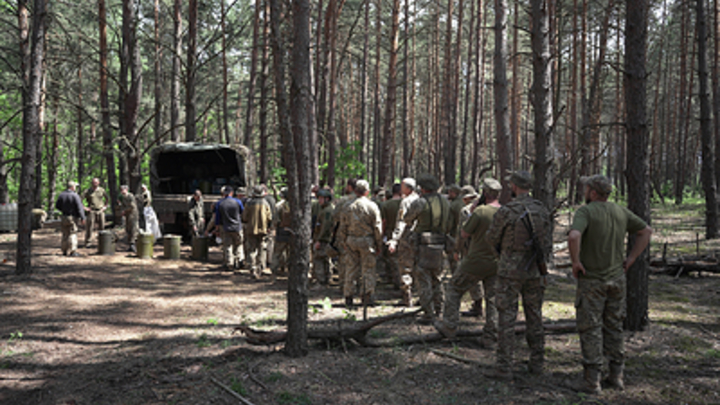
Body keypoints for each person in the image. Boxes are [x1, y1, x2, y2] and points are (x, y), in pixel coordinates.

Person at [567, 175, 652, 394]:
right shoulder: (620, 211)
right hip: (617, 280)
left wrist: (576, 262)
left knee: (591, 327)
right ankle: (616, 376)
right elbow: (646, 231)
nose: (585, 191)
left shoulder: (585, 212)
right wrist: (631, 259)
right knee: (614, 325)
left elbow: (574, 235)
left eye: (587, 188)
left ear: (593, 193)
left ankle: (591, 380)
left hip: (592, 281)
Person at [484, 171, 552, 380]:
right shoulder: (541, 210)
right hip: (534, 271)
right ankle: (537, 362)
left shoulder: (507, 211)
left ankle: (504, 367)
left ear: (514, 186)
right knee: (535, 315)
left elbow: (491, 238)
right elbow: (547, 243)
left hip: (509, 272)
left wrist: (504, 255)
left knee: (506, 316)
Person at [434, 178, 502, 349]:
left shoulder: (480, 212)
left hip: (475, 261)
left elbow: (464, 233)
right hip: (496, 262)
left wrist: (472, 212)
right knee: (492, 299)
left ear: (484, 193)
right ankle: (491, 336)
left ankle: (449, 327)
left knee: (454, 288)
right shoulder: (504, 212)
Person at [399, 173, 451, 323]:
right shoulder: (445, 202)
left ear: (423, 188)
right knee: (438, 278)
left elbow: (407, 218)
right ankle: (439, 309)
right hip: (440, 243)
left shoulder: (420, 202)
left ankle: (428, 313)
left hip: (423, 245)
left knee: (423, 280)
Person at [338, 180, 383, 307]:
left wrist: (343, 241)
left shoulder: (347, 205)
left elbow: (342, 226)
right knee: (368, 269)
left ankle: (348, 296)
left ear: (355, 191)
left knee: (351, 268)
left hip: (351, 240)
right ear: (367, 192)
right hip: (367, 241)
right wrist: (379, 244)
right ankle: (367, 296)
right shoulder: (372, 206)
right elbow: (377, 227)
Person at [387, 178, 419, 307]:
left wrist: (394, 240)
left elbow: (401, 222)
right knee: (419, 268)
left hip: (407, 238)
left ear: (407, 188)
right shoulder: (421, 200)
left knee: (405, 268)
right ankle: (422, 297)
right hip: (420, 239)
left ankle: (407, 298)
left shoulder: (406, 202)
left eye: (402, 186)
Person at [457, 185, 484, 317]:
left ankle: (477, 305)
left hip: (472, 248)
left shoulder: (466, 211)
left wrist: (458, 250)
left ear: (466, 198)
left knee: (474, 278)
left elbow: (462, 233)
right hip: (489, 248)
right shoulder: (489, 206)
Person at [242, 185, 273, 279]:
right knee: (262, 249)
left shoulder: (249, 203)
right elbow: (270, 217)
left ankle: (252, 268)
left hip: (251, 230)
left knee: (251, 250)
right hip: (263, 230)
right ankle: (260, 268)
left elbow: (244, 217)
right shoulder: (266, 203)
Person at [332, 179, 358, 288]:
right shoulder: (366, 200)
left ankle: (344, 284)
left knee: (343, 260)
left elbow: (335, 216)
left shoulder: (344, 200)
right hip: (360, 234)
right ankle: (358, 284)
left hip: (345, 234)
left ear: (350, 187)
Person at [214, 186, 245, 271]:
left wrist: (217, 229)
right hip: (237, 227)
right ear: (232, 193)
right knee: (239, 245)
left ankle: (229, 263)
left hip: (226, 228)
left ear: (224, 194)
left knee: (228, 246)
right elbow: (243, 213)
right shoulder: (238, 202)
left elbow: (217, 218)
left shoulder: (220, 203)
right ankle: (240, 261)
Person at [55, 181, 86, 257]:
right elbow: (79, 208)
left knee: (65, 234)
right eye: (75, 186)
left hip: (64, 217)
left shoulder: (61, 195)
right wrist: (83, 217)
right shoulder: (75, 196)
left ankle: (64, 250)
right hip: (72, 217)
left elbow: (57, 206)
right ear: (72, 187)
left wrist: (63, 209)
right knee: (72, 233)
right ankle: (73, 250)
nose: (75, 188)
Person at [381, 183, 402, 288]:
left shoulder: (386, 205)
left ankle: (395, 280)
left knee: (392, 259)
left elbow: (383, 221)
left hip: (390, 233)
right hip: (404, 234)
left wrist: (382, 235)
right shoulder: (406, 203)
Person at [312, 188, 335, 285]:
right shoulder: (325, 209)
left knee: (319, 259)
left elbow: (325, 227)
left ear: (327, 199)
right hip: (325, 239)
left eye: (322, 198)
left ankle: (321, 281)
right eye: (319, 198)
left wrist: (319, 240)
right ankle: (327, 279)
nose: (319, 200)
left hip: (324, 239)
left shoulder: (327, 211)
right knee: (326, 259)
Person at [271, 187, 292, 281]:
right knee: (290, 253)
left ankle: (274, 270)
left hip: (281, 231)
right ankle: (290, 271)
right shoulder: (296, 205)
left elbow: (275, 220)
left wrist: (274, 228)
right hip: (292, 232)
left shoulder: (279, 205)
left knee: (277, 253)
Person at [83, 177, 109, 247]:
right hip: (91, 211)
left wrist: (105, 207)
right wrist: (85, 208)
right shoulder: (88, 191)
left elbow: (107, 199)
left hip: (100, 210)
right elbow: (80, 199)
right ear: (92, 183)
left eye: (96, 182)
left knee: (102, 226)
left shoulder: (102, 190)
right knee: (90, 227)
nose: (95, 183)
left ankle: (102, 242)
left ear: (99, 183)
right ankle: (88, 242)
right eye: (94, 182)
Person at [118, 185, 139, 252]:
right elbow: (123, 206)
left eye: (123, 189)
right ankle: (130, 244)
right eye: (121, 190)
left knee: (134, 229)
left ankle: (133, 244)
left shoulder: (130, 196)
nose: (122, 191)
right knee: (128, 229)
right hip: (127, 215)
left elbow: (132, 206)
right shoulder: (123, 197)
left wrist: (125, 210)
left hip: (133, 215)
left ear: (126, 189)